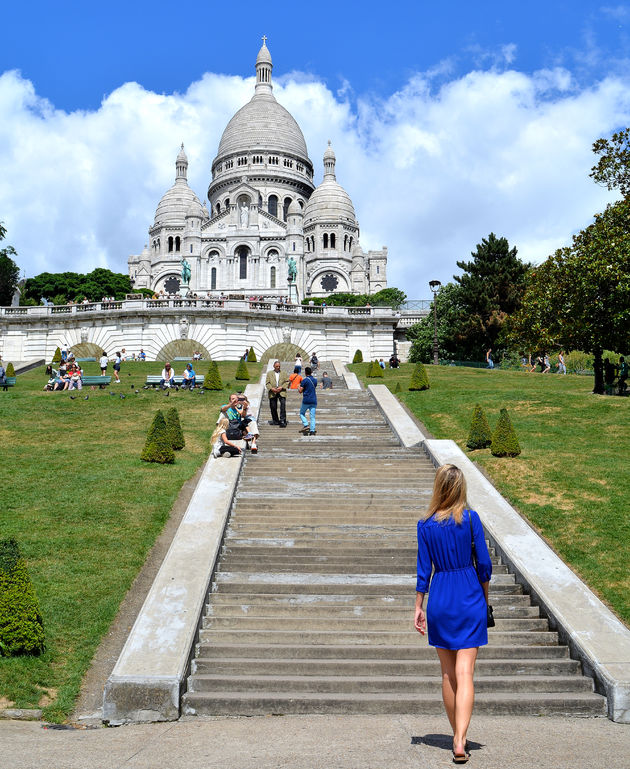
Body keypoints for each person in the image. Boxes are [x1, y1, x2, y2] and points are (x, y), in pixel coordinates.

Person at [414, 464, 492, 764]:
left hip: (440, 597)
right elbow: (484, 565)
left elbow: (423, 571)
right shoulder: (471, 519)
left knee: (447, 673)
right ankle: (460, 739)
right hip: (469, 593)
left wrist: (418, 606)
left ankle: (456, 736)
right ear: (460, 488)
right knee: (465, 672)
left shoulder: (425, 525)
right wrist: (483, 598)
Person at [265, 361, 290, 426]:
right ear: (274, 366)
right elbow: (267, 383)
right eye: (277, 366)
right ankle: (275, 420)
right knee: (273, 406)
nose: (278, 367)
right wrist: (271, 388)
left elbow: (287, 382)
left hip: (282, 391)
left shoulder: (284, 373)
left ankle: (282, 420)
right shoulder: (269, 373)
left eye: (279, 366)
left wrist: (282, 387)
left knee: (283, 406)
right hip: (273, 392)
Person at [298, 366, 317, 436]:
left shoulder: (304, 380)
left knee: (301, 413)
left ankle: (306, 424)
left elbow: (300, 391)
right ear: (311, 372)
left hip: (306, 400)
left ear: (305, 372)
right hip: (314, 400)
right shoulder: (315, 380)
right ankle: (312, 431)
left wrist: (298, 387)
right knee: (312, 417)